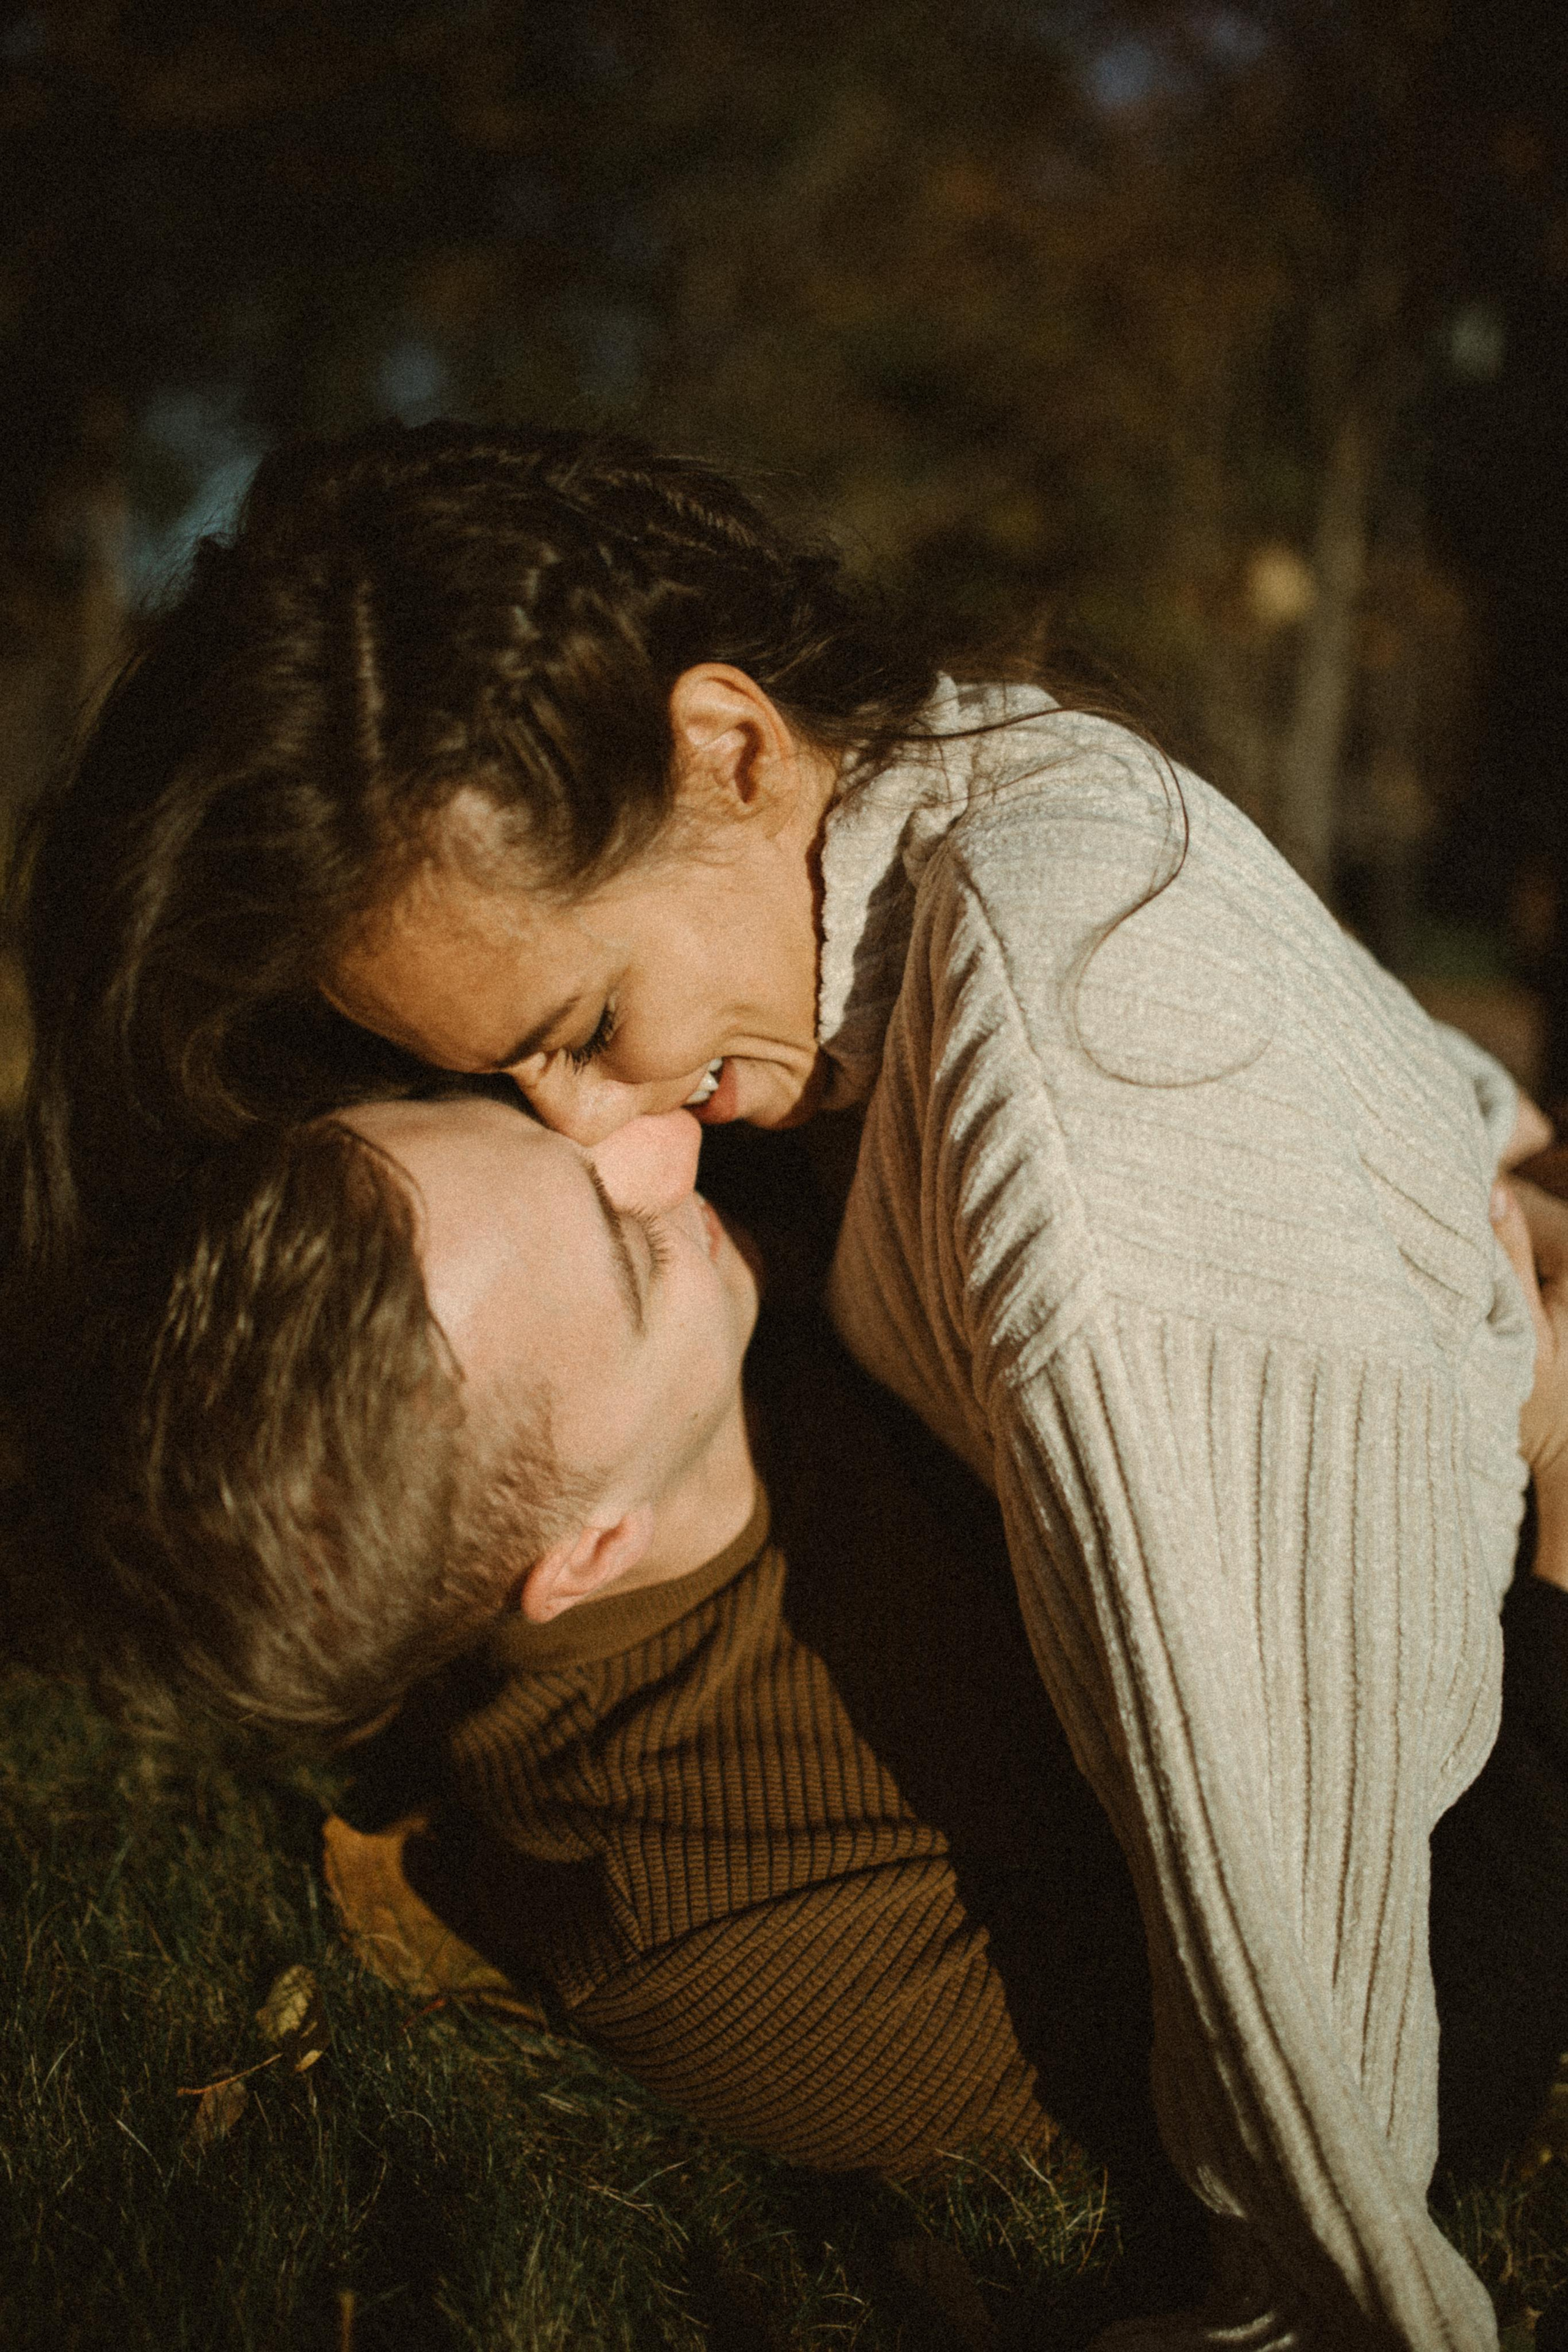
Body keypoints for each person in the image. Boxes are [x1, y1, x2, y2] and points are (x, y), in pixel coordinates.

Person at [10, 418, 1552, 2347]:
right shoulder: (856, 964)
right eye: (516, 1084)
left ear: (734, 751)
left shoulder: (1047, 1121)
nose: (628, 1136)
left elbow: (1312, 1962)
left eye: (576, 1037)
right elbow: (1313, 1991)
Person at [51, 1086, 1568, 2330]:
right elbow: (1406, 2061)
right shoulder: (737, 1932)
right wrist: (1556, 1518)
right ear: (587, 1551)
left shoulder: (747, 1251)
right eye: (623, 1244)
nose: (654, 1138)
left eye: (535, 1121)